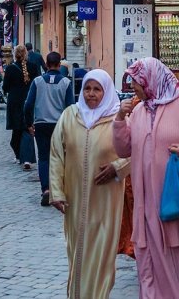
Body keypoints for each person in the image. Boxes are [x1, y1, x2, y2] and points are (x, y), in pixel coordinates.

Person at [113, 58, 179, 299]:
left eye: (137, 82)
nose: (133, 87)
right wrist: (120, 119)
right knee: (148, 263)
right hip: (146, 205)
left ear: (151, 80)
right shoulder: (139, 110)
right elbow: (123, 150)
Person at [49, 70, 129, 299]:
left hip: (106, 200)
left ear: (106, 91)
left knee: (101, 255)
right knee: (77, 252)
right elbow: (56, 154)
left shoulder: (118, 119)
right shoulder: (69, 115)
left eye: (97, 89)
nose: (91, 94)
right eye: (87, 88)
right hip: (74, 201)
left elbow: (137, 151)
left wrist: (118, 167)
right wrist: (56, 191)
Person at [25, 52, 77, 206]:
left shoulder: (37, 81)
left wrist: (29, 123)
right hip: (60, 124)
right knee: (61, 157)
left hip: (41, 124)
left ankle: (46, 189)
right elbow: (70, 107)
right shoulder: (66, 83)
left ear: (46, 65)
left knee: (43, 157)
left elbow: (28, 105)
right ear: (59, 65)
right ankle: (59, 189)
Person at [4, 46, 39, 169]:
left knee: (17, 129)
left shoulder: (10, 68)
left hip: (14, 102)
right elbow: (37, 84)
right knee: (27, 127)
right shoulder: (34, 67)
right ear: (26, 54)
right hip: (28, 100)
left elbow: (5, 87)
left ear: (15, 54)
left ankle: (20, 156)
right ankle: (26, 159)